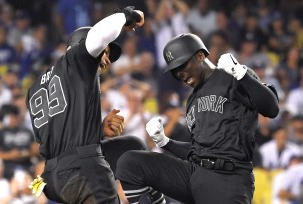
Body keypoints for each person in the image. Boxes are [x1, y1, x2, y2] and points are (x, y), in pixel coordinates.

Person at [116, 33, 280, 203]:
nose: (180, 73)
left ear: (200, 55)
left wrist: (241, 73)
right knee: (131, 163)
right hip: (194, 174)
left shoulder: (232, 76)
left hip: (229, 178)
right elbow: (197, 151)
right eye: (175, 71)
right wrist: (165, 142)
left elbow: (271, 108)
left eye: (182, 65)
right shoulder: (192, 100)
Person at [26, 7, 145, 204]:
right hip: (82, 170)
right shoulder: (77, 60)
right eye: (104, 51)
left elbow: (57, 137)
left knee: (132, 147)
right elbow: (97, 36)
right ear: (83, 47)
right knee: (134, 150)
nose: (107, 60)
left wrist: (96, 131)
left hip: (52, 178)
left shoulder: (34, 88)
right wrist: (127, 15)